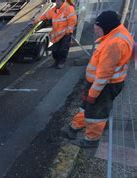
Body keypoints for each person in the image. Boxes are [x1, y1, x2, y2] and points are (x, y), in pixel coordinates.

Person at [62, 11, 134, 148]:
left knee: (96, 113)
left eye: (98, 29)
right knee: (86, 107)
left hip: (105, 86)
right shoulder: (115, 33)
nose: (96, 32)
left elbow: (104, 75)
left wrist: (93, 94)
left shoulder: (115, 44)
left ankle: (91, 140)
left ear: (107, 27)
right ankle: (74, 127)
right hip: (99, 83)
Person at [34, 0, 77, 69]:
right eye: (56, 1)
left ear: (62, 1)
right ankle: (56, 62)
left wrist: (68, 32)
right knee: (55, 51)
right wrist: (36, 20)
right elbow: (45, 16)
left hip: (65, 34)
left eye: (58, 1)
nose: (56, 3)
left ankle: (61, 62)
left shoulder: (69, 8)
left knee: (63, 49)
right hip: (57, 35)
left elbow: (72, 21)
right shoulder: (54, 10)